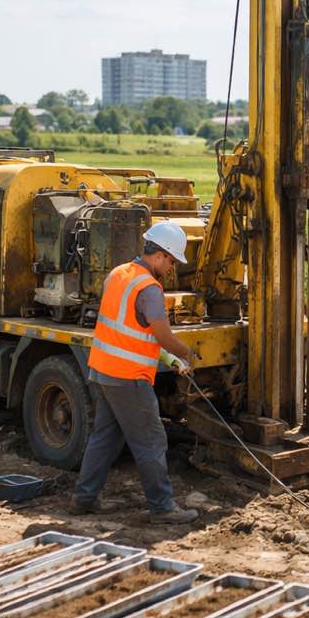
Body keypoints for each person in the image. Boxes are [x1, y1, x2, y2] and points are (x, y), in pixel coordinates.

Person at [71, 220, 199, 523]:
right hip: (128, 378)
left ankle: (84, 498)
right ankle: (163, 507)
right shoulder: (149, 288)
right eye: (171, 261)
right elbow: (163, 334)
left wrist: (168, 359)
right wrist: (187, 353)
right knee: (151, 441)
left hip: (103, 371)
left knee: (105, 437)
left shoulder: (119, 274)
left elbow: (130, 330)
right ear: (160, 255)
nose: (171, 269)